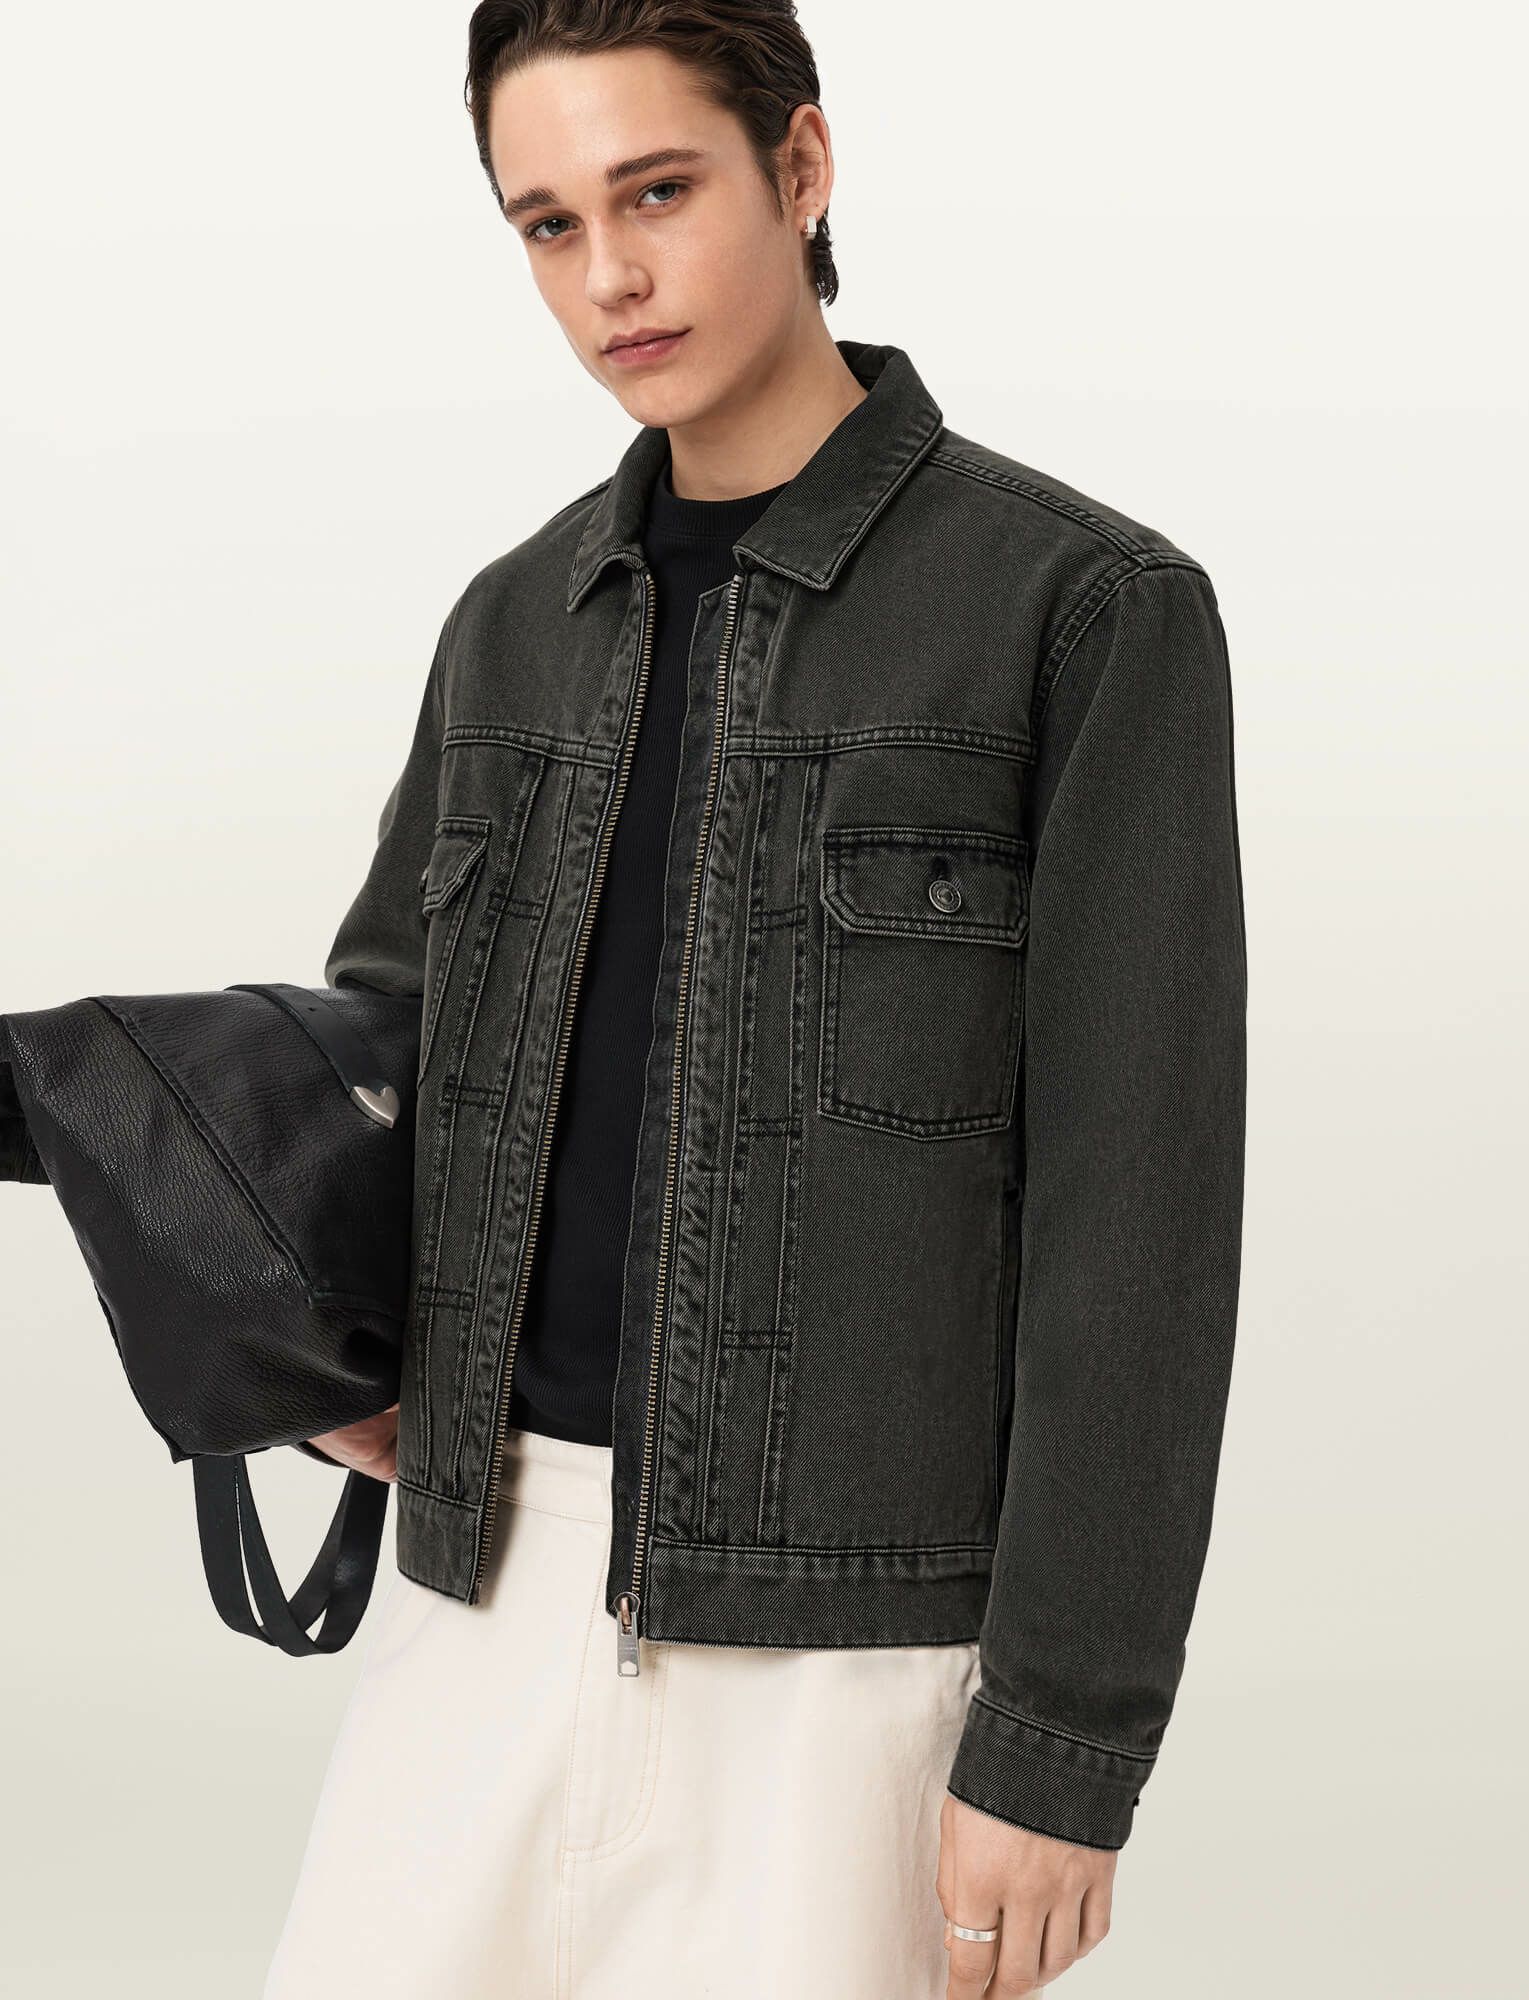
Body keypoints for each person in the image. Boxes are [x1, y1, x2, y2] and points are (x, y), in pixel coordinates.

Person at [266, 4, 1248, 1996]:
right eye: (548, 223)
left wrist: (1059, 1745)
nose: (608, 278)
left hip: (852, 1663)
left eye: (657, 191)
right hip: (484, 1592)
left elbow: (1135, 1224)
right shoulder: (512, 623)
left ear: (800, 167)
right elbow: (382, 1050)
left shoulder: (1078, 612)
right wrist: (305, 1327)